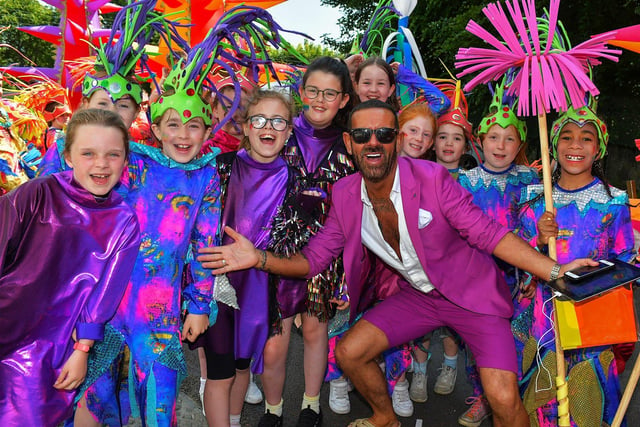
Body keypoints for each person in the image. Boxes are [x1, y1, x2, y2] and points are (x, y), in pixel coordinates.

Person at [198, 99, 594, 427]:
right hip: (418, 296)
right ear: (350, 144)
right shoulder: (346, 193)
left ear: (397, 140)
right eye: (362, 135)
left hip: (471, 296)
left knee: (504, 399)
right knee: (350, 352)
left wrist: (558, 272)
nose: (373, 142)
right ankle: (385, 417)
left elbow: (488, 235)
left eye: (384, 134)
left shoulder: (434, 179)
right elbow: (314, 258)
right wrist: (259, 258)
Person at [73, 55, 221, 426]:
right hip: (104, 300)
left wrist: (200, 304)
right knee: (97, 394)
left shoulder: (206, 177)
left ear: (208, 131)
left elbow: (205, 245)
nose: (183, 135)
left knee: (158, 398)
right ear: (155, 128)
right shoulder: (133, 161)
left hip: (158, 309)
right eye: (173, 124)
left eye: (194, 126)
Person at [0, 109, 141, 427]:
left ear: (125, 160)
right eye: (88, 153)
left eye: (113, 154)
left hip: (49, 347)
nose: (101, 164)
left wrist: (82, 348)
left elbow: (103, 295)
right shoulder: (37, 194)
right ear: (68, 155)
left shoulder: (123, 220)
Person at [198, 89, 321, 427]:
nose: (269, 127)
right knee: (226, 368)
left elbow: (306, 242)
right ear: (247, 126)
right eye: (260, 119)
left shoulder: (300, 183)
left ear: (289, 131)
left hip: (271, 284)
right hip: (221, 280)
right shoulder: (220, 169)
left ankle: (252, 414)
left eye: (279, 121)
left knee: (254, 361)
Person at [517, 104, 634, 426]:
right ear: (553, 146)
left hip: (592, 319)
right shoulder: (536, 198)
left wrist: (589, 274)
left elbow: (624, 259)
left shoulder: (614, 202)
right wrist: (539, 239)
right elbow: (515, 259)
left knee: (588, 399)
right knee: (543, 397)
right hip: (544, 319)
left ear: (599, 149)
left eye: (586, 138)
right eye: (566, 137)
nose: (575, 146)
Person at [264, 56, 354, 427]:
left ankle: (311, 405)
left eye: (330, 93)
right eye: (313, 91)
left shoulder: (352, 141)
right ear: (300, 92)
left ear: (344, 100)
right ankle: (272, 409)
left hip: (327, 252)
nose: (320, 99)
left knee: (316, 329)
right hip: (277, 250)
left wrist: (348, 272)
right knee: (276, 338)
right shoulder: (279, 131)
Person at [456, 81, 539, 426]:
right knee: (479, 345)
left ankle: (515, 399)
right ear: (480, 141)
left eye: (509, 138)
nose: (501, 145)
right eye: (493, 137)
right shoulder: (465, 181)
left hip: (519, 278)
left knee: (519, 341)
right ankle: (485, 398)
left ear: (520, 144)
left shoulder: (532, 180)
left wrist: (534, 272)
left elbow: (537, 234)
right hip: (478, 280)